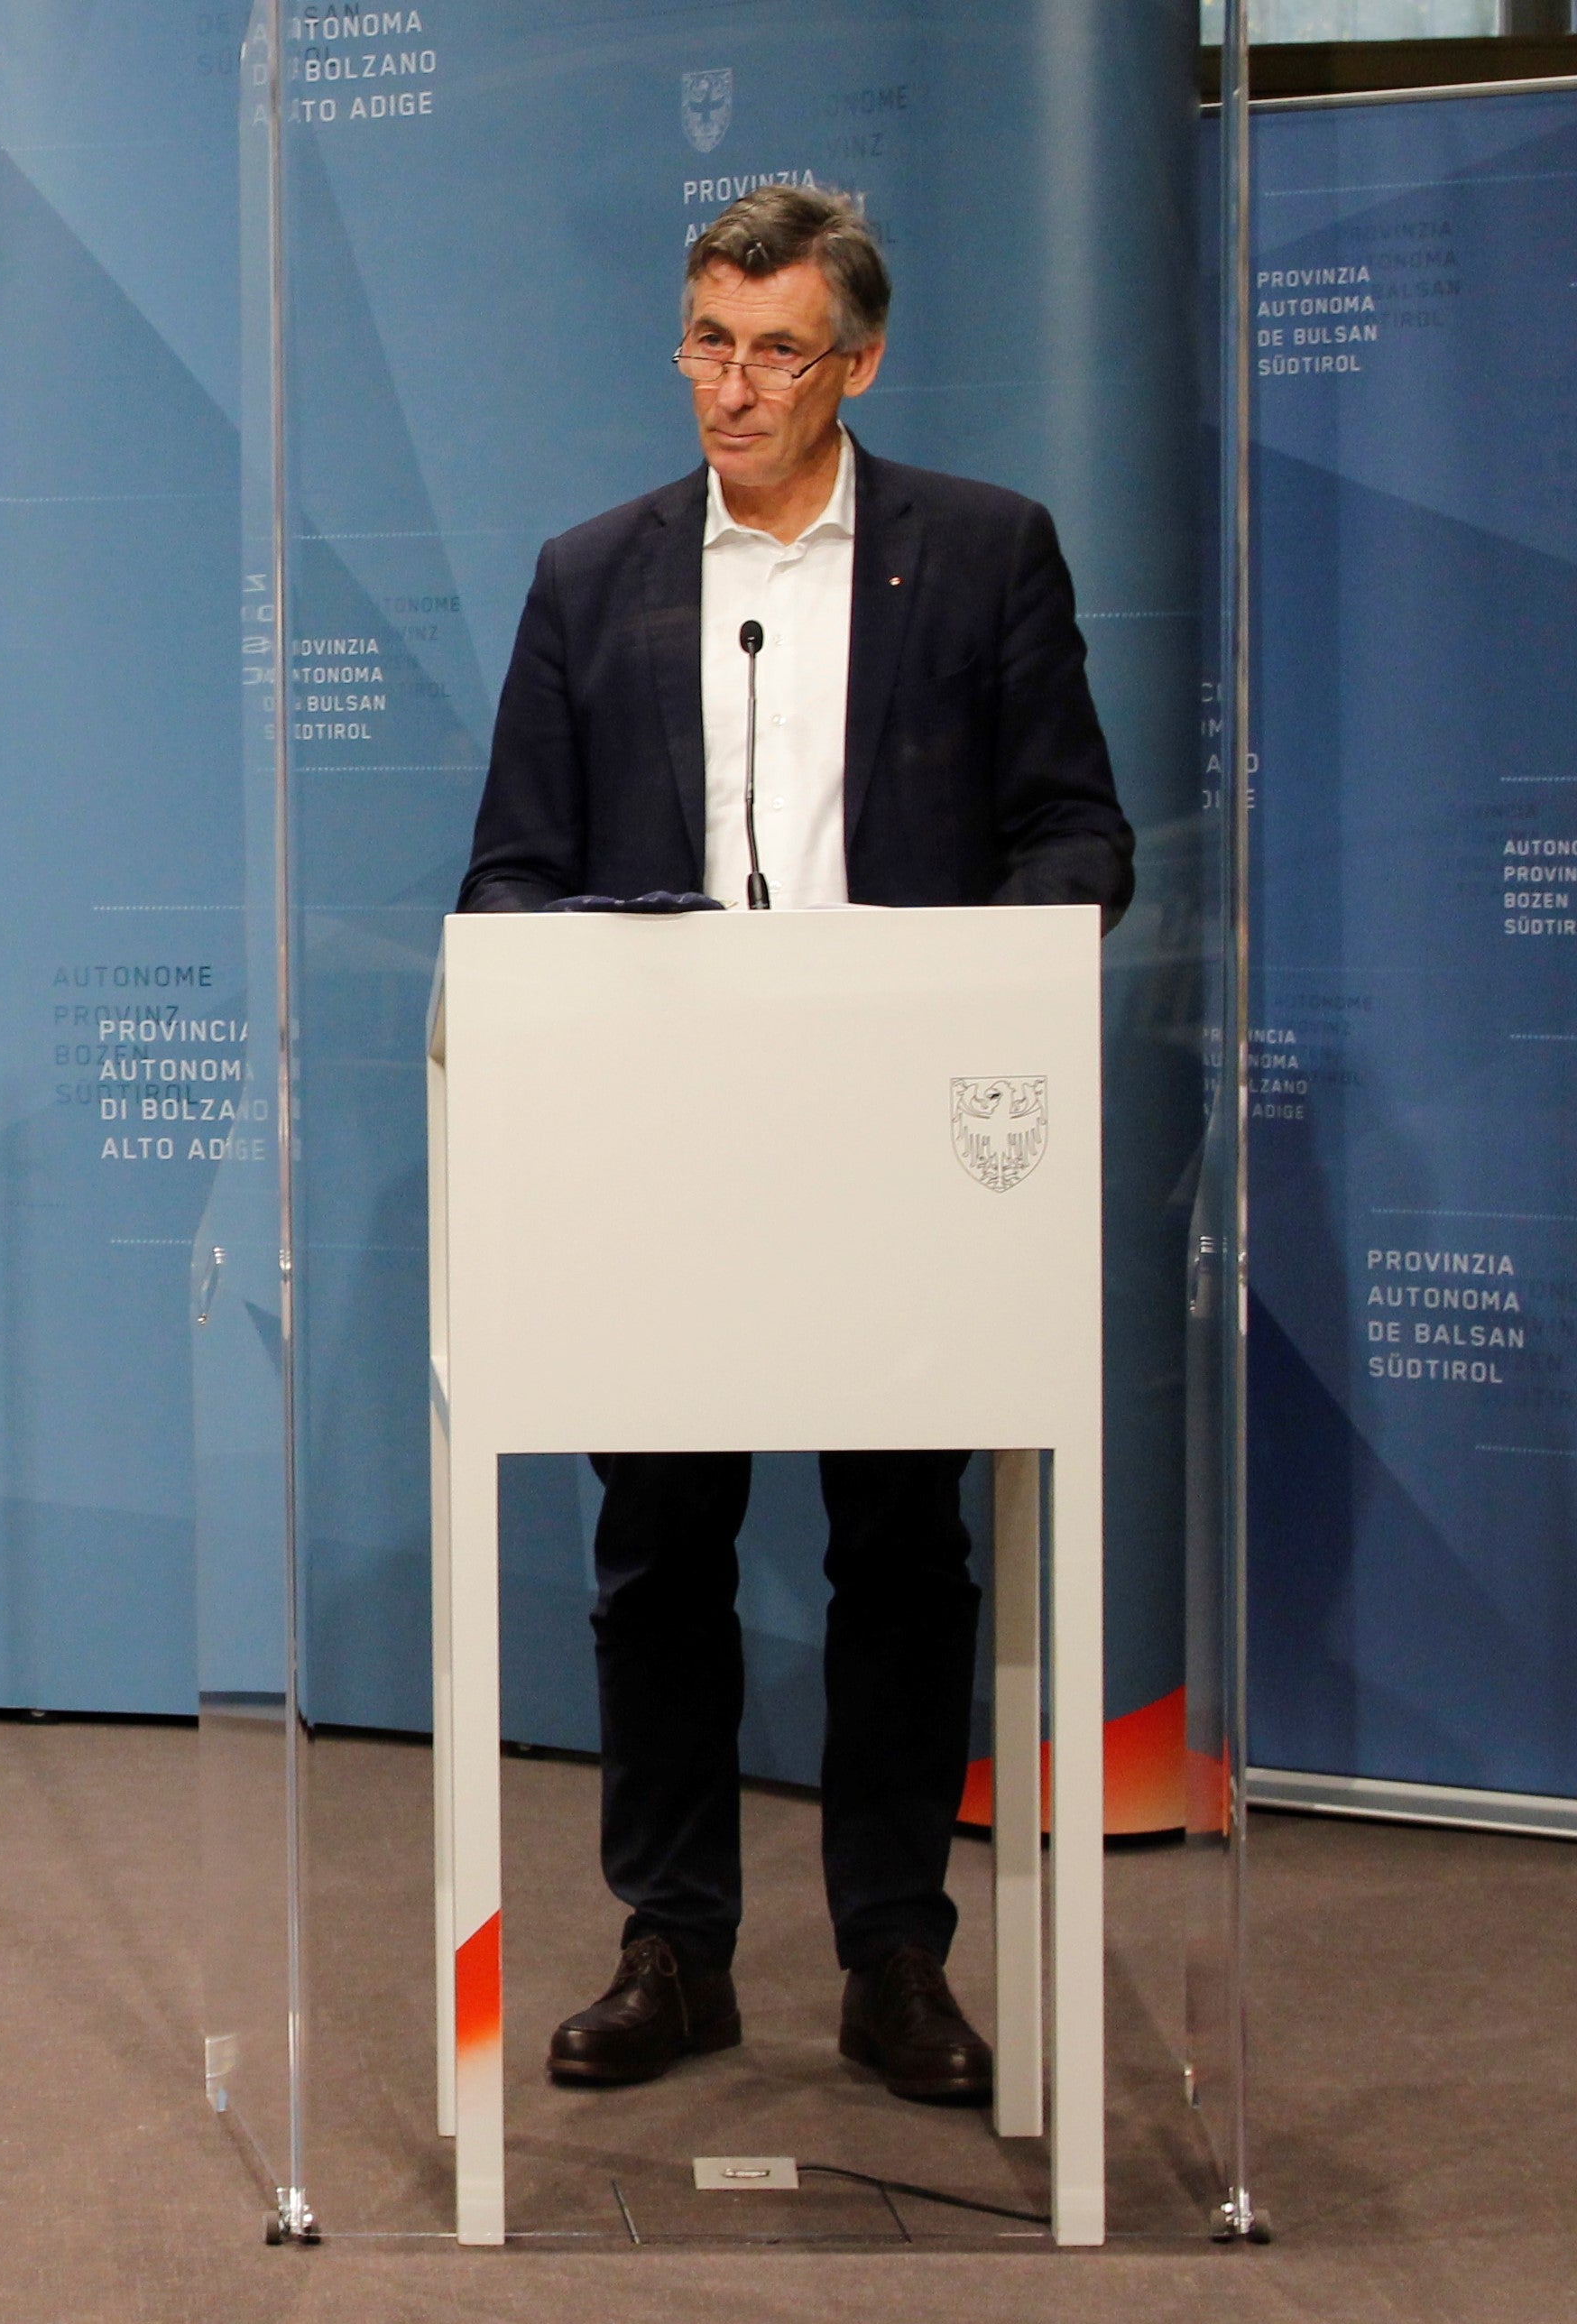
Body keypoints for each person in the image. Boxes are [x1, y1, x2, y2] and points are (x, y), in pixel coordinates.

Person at [457, 183, 1134, 2103]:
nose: (729, 386)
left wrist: (947, 981)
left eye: (770, 349)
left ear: (856, 359)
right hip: (666, 1156)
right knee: (656, 1547)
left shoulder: (982, 556)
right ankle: (675, 1946)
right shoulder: (591, 576)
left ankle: (893, 1957)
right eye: (704, 339)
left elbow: (1080, 843)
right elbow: (509, 873)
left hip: (895, 1156)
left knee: (899, 1549)